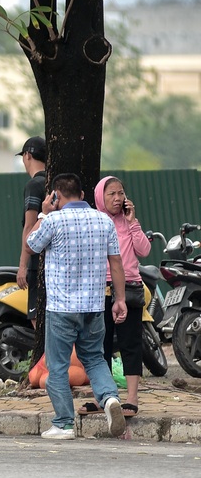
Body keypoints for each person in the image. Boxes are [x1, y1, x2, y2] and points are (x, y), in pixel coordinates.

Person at [26, 173, 128, 440]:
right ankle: (110, 399)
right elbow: (116, 263)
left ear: (56, 196)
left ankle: (63, 424)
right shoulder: (103, 220)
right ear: (82, 195)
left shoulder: (54, 220)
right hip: (94, 306)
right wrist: (119, 299)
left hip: (61, 308)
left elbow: (31, 244)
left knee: (58, 367)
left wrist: (43, 213)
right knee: (94, 358)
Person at [81, 176, 150, 418]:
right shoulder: (94, 221)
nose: (118, 198)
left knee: (130, 343)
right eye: (112, 194)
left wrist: (133, 223)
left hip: (129, 288)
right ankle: (103, 397)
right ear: (100, 197)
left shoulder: (128, 222)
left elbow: (144, 250)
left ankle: (132, 398)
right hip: (99, 289)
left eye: (121, 193)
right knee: (100, 346)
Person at [16, 136, 46, 327]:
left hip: (38, 262)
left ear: (27, 155)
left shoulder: (34, 185)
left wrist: (22, 266)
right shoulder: (55, 182)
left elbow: (30, 225)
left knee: (37, 318)